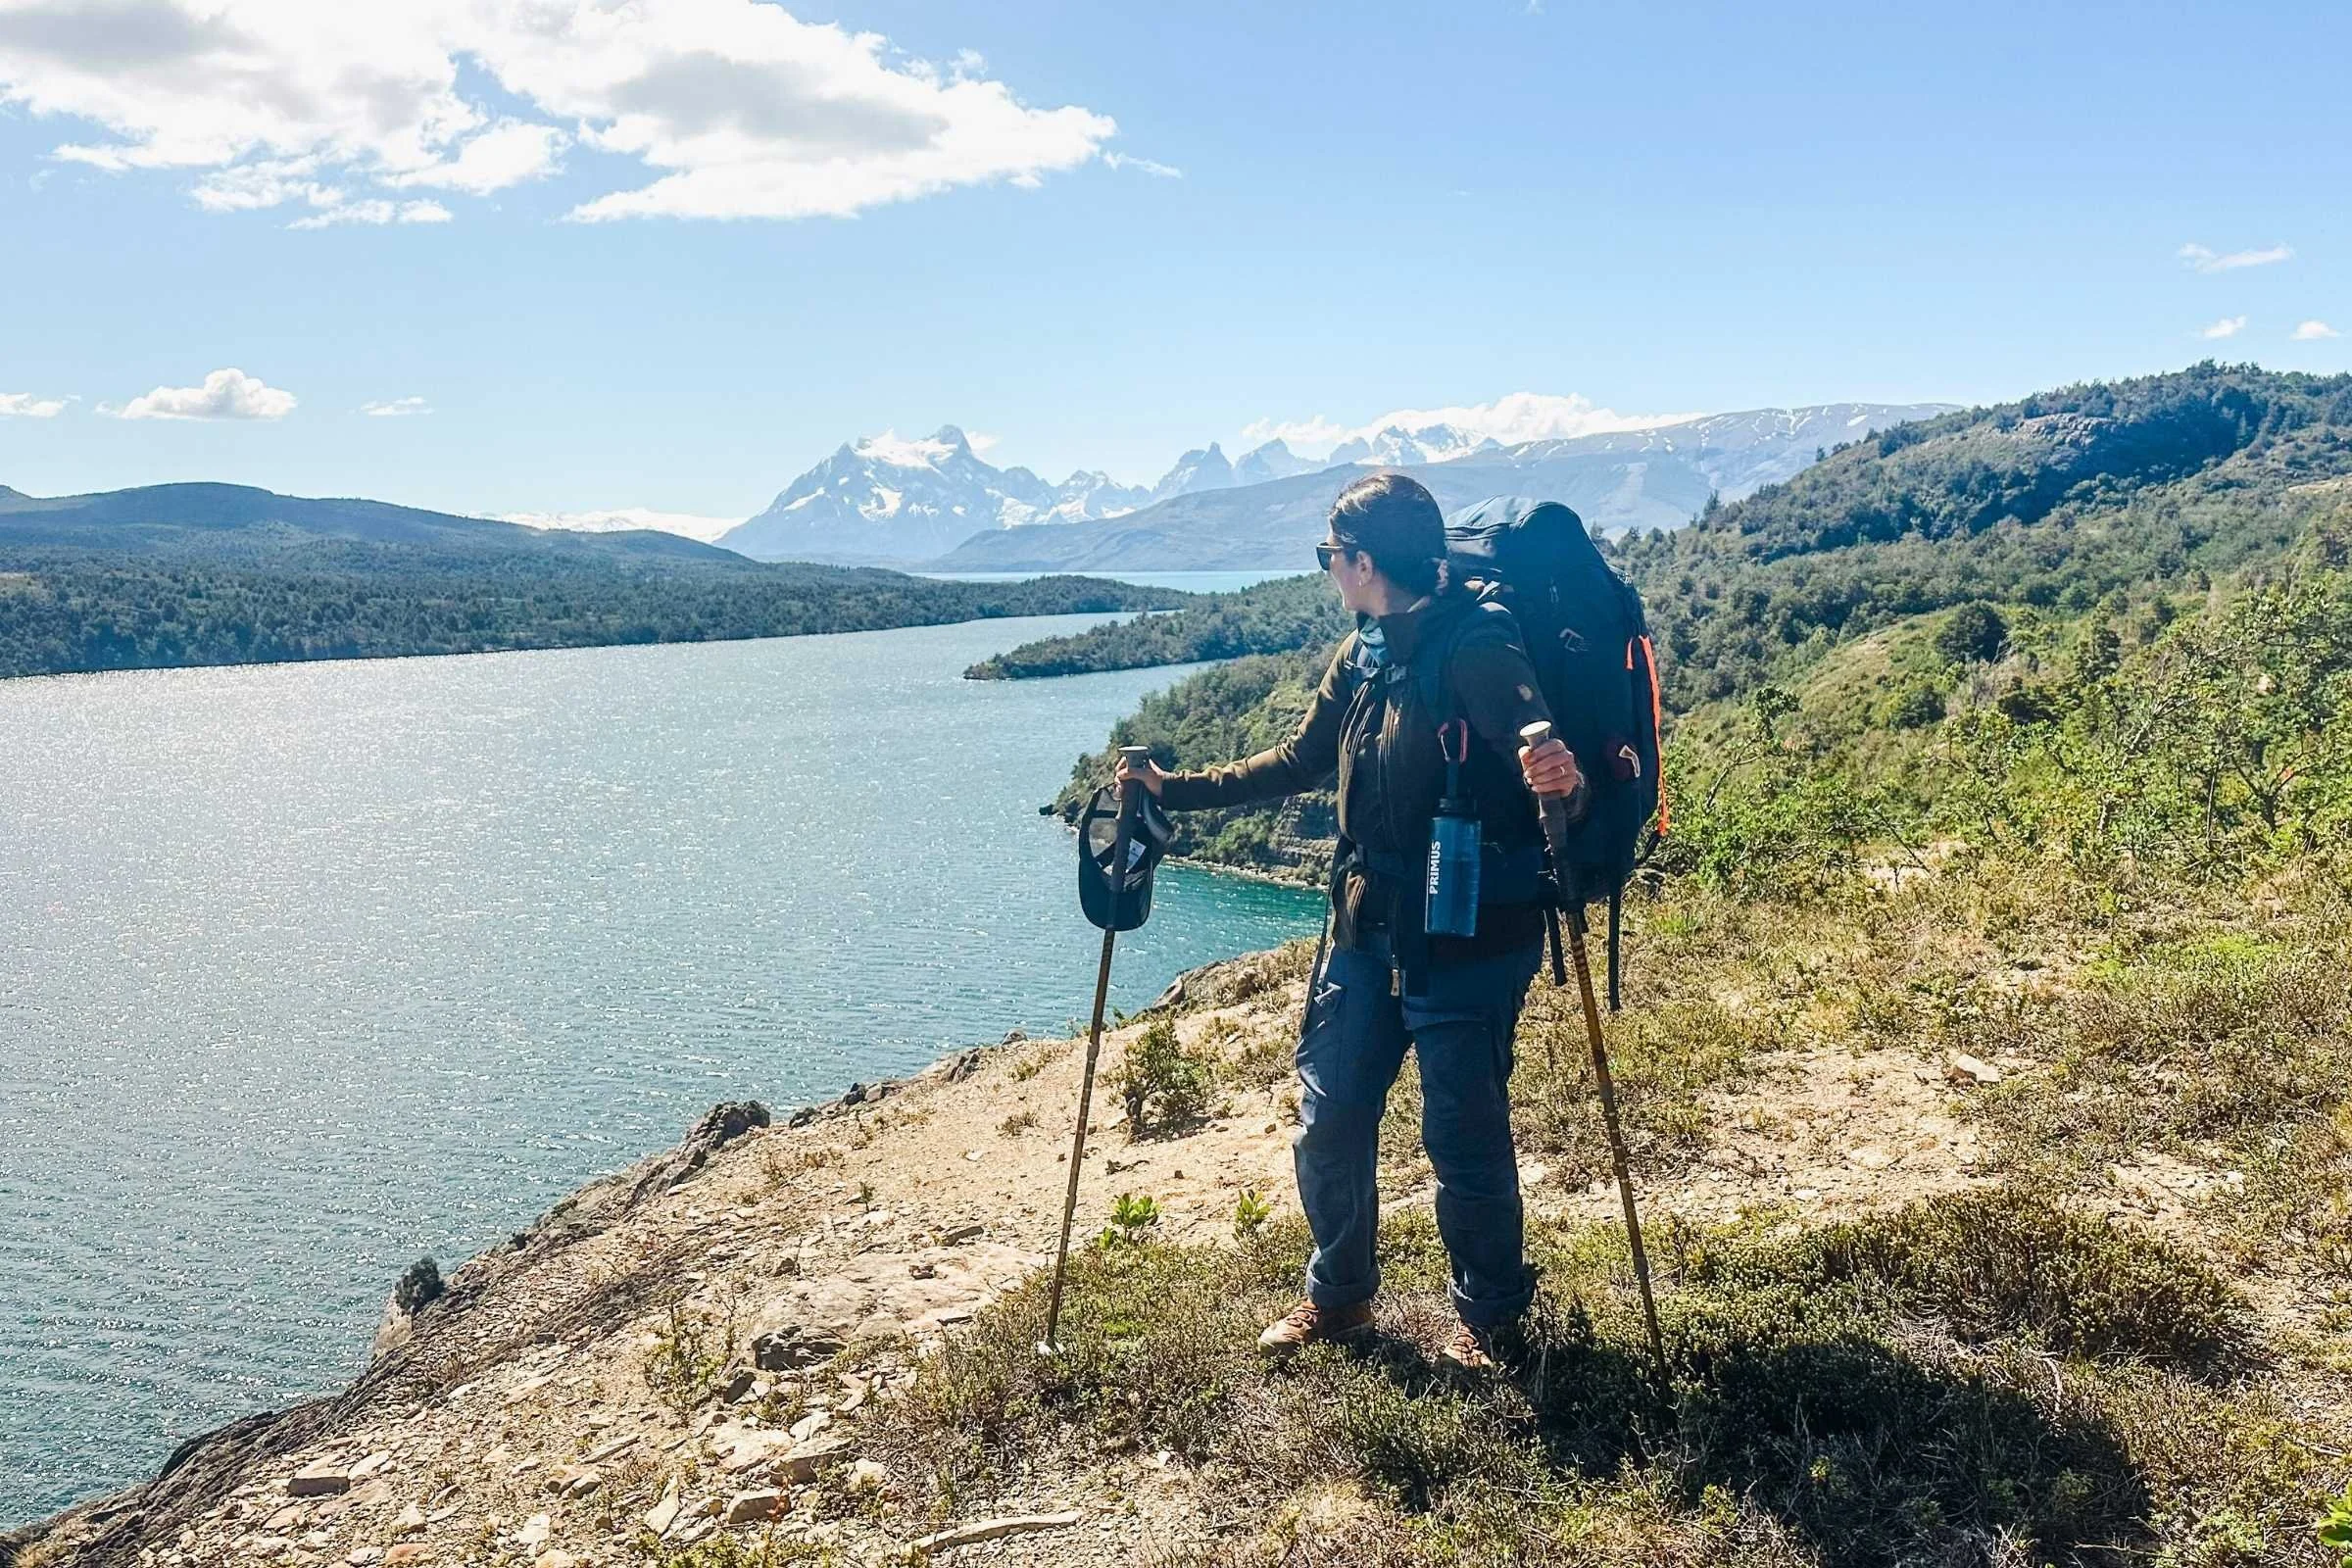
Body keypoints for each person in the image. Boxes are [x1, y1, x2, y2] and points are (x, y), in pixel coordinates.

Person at [1118, 471, 1584, 1370]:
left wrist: (1567, 780)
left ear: (1365, 562)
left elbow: (1559, 782)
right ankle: (1340, 1301)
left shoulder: (1481, 648)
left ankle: (1492, 1323)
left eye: (1332, 556)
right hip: (1366, 935)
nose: (1330, 569)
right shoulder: (1365, 650)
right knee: (1329, 1120)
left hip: (1468, 939)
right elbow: (1300, 759)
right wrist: (1173, 791)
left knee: (1462, 1135)